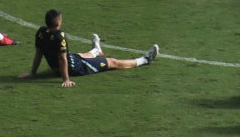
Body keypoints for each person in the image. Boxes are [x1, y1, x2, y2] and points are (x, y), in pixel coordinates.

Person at [20, 10, 157, 85]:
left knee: (80, 55)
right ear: (58, 23)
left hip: (67, 62)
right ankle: (146, 59)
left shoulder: (41, 32)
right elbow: (63, 60)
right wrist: (66, 79)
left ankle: (96, 50)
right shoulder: (59, 36)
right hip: (74, 68)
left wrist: (33, 72)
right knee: (112, 62)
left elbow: (38, 53)